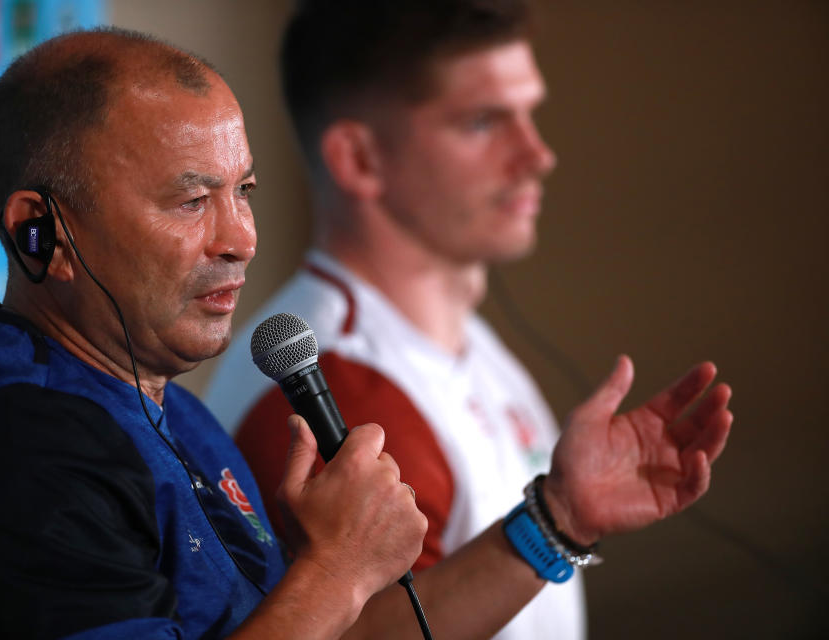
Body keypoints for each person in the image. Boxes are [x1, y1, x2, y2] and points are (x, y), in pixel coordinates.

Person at [0, 23, 731, 640]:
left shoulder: (169, 411)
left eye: (241, 192)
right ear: (41, 233)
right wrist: (338, 568)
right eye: (190, 199)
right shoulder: (18, 450)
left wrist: (557, 520)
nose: (240, 237)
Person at [205, 2, 731, 639]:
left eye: (529, 114)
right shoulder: (338, 387)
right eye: (484, 122)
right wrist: (554, 523)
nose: (537, 155)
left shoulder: (467, 348)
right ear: (360, 159)